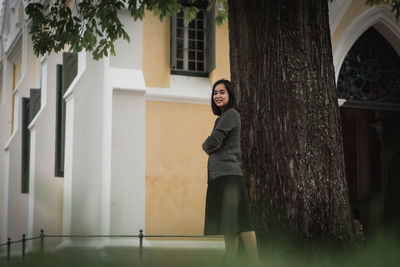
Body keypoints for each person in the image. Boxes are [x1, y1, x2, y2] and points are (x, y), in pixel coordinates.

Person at [202, 79, 260, 265]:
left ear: (230, 95)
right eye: (215, 92)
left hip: (229, 175)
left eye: (222, 92)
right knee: (230, 224)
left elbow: (214, 141)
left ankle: (256, 262)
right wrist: (212, 145)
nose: (217, 96)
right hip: (219, 175)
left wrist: (205, 145)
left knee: (242, 221)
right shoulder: (222, 117)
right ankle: (231, 261)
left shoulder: (231, 114)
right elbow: (216, 142)